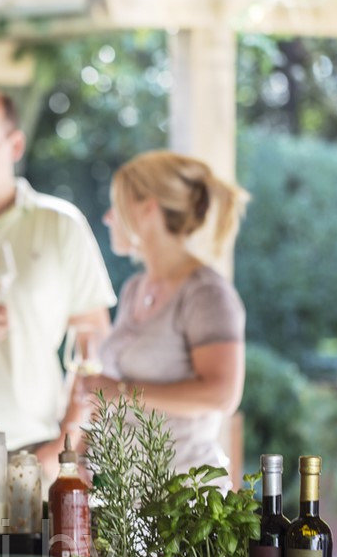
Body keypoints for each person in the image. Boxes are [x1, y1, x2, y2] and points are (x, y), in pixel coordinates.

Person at [0, 90, 115, 475]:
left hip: (35, 453)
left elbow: (94, 341)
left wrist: (68, 437)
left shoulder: (60, 224)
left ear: (15, 144)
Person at [78, 150, 249, 484]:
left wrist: (121, 391)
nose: (109, 218)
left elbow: (222, 395)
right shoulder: (133, 289)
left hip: (185, 499)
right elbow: (112, 390)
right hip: (125, 500)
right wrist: (82, 453)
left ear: (148, 208)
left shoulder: (206, 294)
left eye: (118, 205)